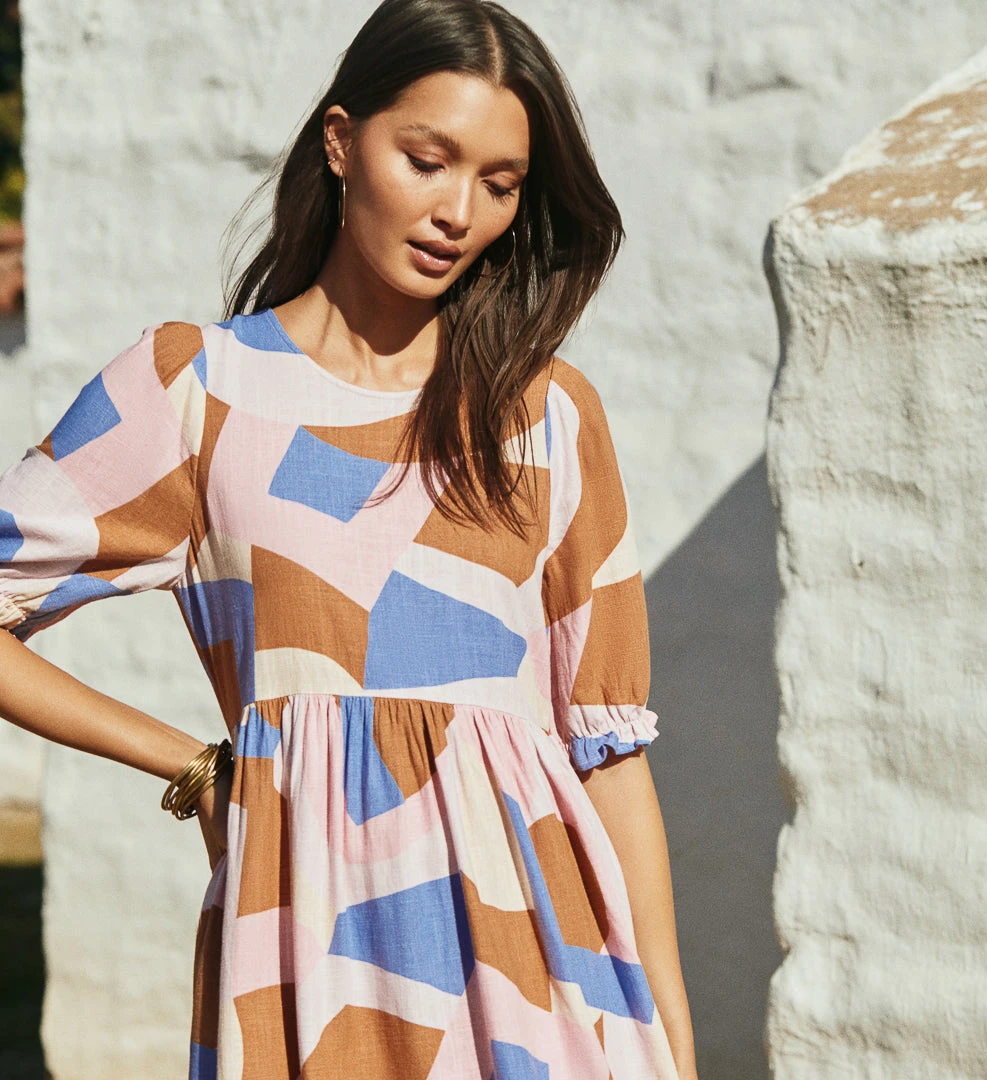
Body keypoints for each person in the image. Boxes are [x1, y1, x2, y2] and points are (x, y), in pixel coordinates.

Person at [0, 0, 698, 1076]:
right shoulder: (198, 393)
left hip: (548, 986)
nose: (458, 212)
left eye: (500, 184)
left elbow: (610, 761)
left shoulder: (551, 415)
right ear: (341, 142)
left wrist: (674, 1045)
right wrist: (195, 766)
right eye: (427, 160)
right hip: (309, 961)